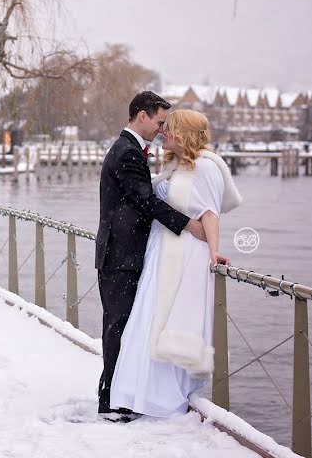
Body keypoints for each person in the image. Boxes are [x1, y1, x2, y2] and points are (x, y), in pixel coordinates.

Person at [109, 109, 242, 418]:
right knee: (147, 320)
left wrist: (213, 252)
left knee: (169, 319)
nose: (163, 133)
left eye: (169, 129)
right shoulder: (174, 164)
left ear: (183, 133)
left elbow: (210, 213)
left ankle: (164, 397)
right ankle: (138, 395)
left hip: (184, 254)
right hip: (160, 250)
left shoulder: (206, 167)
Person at [95, 92, 207, 419]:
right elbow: (146, 201)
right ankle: (111, 402)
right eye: (159, 122)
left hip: (123, 254)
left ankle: (118, 398)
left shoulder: (130, 150)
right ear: (141, 116)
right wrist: (189, 226)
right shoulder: (127, 153)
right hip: (120, 257)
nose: (161, 130)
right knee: (118, 327)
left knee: (122, 328)